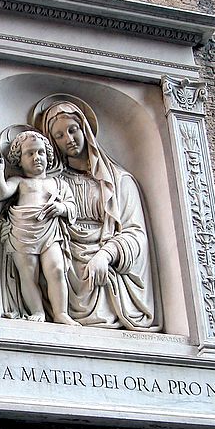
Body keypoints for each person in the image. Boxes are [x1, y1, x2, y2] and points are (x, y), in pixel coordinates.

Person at [39, 99, 160, 330]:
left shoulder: (120, 181)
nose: (69, 139)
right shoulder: (52, 184)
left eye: (72, 130)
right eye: (59, 136)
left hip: (108, 267)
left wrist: (106, 254)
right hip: (66, 264)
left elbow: (136, 234)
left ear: (84, 128)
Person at [0, 130, 79, 325]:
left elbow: (71, 207)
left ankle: (61, 313)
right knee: (28, 273)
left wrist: (61, 207)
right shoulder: (19, 182)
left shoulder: (57, 184)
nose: (36, 157)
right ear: (19, 159)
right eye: (29, 153)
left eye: (40, 152)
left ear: (48, 155)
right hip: (22, 232)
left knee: (56, 269)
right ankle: (37, 311)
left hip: (49, 232)